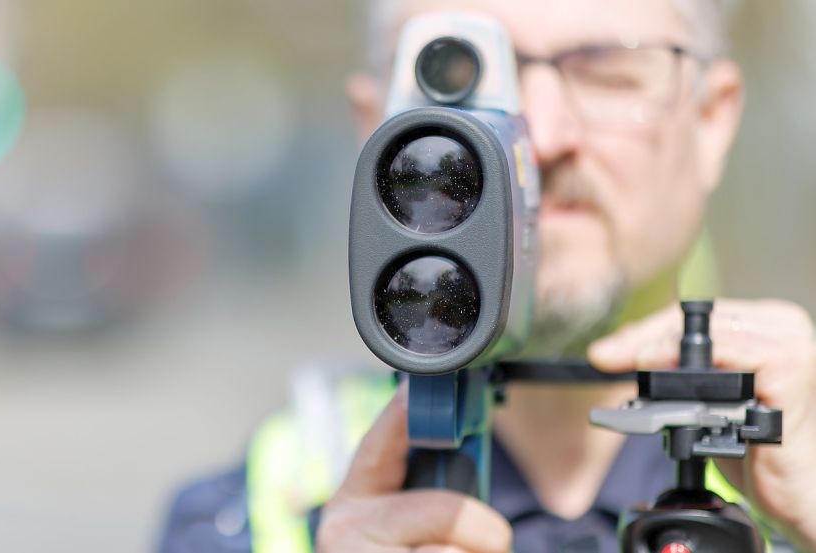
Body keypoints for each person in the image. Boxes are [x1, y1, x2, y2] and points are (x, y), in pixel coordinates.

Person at [160, 1, 816, 552]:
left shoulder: (800, 465)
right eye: (454, 80)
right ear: (374, 133)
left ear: (711, 121)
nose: (539, 137)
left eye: (608, 73)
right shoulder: (250, 515)